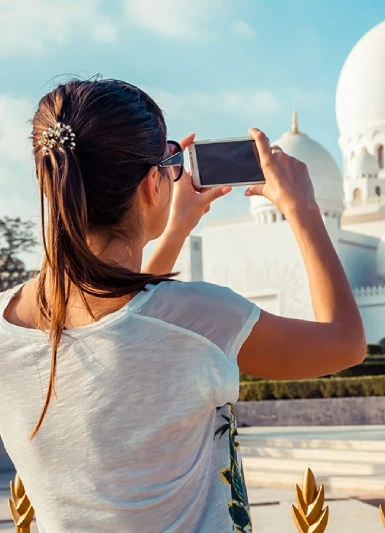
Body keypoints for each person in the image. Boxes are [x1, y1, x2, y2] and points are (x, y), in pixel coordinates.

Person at [0, 79, 366, 532]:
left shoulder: (5, 327)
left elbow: (122, 321)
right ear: (153, 183)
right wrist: (304, 208)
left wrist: (176, 228)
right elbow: (345, 343)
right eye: (169, 163)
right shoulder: (203, 320)